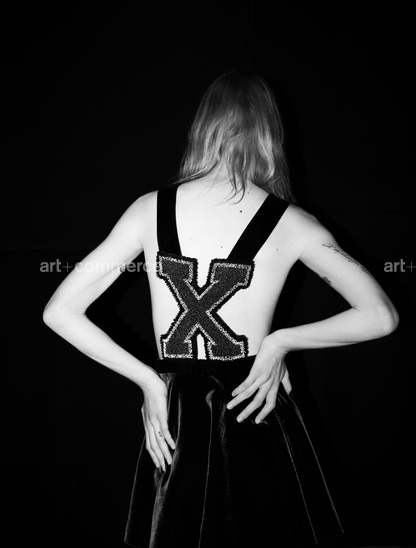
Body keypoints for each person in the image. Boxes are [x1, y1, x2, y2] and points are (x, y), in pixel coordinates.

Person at [43, 69, 399, 548]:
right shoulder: (294, 223)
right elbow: (381, 315)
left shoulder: (147, 210)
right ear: (270, 132)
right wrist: (280, 342)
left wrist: (150, 381)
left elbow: (59, 311)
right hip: (255, 407)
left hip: (180, 418)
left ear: (203, 126)